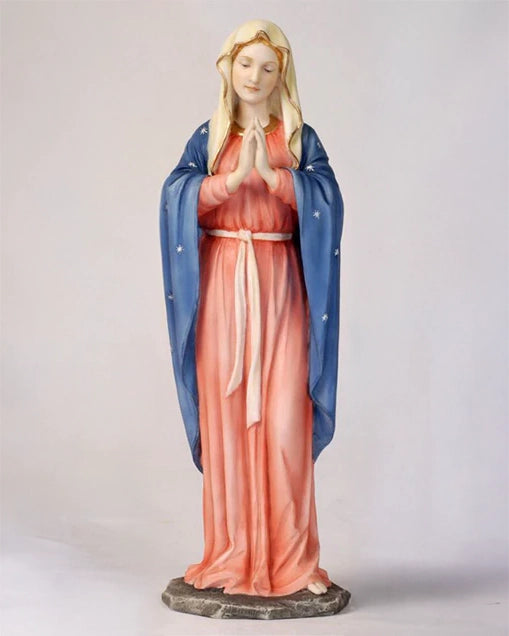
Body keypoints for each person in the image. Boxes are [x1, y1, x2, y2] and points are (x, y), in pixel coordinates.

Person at [159, 19, 344, 597]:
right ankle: (231, 554)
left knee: (286, 421)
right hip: (223, 288)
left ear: (282, 74)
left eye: (268, 66)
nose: (255, 77)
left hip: (281, 286)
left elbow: (328, 202)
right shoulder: (209, 138)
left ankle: (293, 563)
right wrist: (229, 181)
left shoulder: (300, 139)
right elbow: (175, 198)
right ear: (227, 67)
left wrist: (276, 178)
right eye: (245, 64)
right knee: (229, 421)